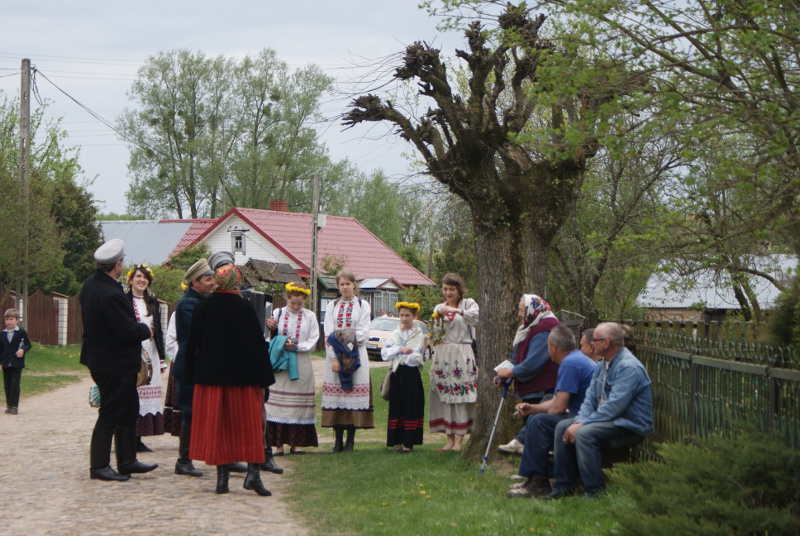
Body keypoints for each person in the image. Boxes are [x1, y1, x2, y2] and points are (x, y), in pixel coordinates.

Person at [184, 261, 276, 496]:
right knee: (250, 426)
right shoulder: (243, 308)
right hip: (242, 380)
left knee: (219, 428)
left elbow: (192, 344)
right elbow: (255, 347)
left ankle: (222, 480)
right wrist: (265, 379)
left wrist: (190, 375)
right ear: (235, 282)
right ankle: (252, 475)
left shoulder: (203, 308)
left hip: (210, 380)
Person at [545, 322, 654, 500]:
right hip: (610, 421)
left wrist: (582, 425)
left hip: (629, 426)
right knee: (563, 427)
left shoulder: (629, 368)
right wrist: (579, 421)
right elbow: (589, 399)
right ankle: (563, 487)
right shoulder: (603, 365)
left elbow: (613, 408)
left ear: (607, 343)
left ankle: (593, 491)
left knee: (585, 434)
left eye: (595, 340)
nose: (591, 343)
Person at [79, 238, 157, 482]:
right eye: (122, 262)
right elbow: (124, 330)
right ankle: (99, 466)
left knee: (128, 409)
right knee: (111, 412)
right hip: (113, 363)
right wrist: (146, 331)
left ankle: (127, 460)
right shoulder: (110, 293)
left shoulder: (91, 284)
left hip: (104, 359)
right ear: (116, 265)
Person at [506, 325, 597, 498]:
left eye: (547, 345)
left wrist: (536, 420)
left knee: (539, 423)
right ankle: (533, 478)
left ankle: (538, 481)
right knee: (537, 417)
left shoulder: (570, 364)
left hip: (584, 418)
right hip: (583, 413)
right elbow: (556, 401)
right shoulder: (575, 359)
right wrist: (533, 408)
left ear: (553, 347)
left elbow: (559, 407)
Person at [496, 294, 561, 455]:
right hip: (532, 386)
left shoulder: (546, 327)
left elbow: (534, 362)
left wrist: (511, 372)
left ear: (533, 310)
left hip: (543, 386)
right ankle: (529, 470)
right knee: (531, 427)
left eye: (521, 310)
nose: (519, 314)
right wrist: (504, 374)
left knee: (537, 430)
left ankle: (535, 470)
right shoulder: (530, 325)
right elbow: (516, 355)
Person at [170, 258, 216, 477]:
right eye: (208, 279)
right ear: (195, 282)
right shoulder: (189, 303)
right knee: (189, 411)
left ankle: (217, 456)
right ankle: (183, 460)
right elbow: (204, 331)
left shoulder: (199, 301)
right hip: (189, 367)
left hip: (199, 366)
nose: (212, 283)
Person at [265, 281, 320, 456]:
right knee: (278, 405)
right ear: (287, 298)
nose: (296, 307)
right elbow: (267, 337)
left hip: (301, 363)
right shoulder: (277, 313)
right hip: (281, 365)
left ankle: (296, 444)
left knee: (297, 404)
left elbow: (313, 340)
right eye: (292, 303)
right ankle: (278, 444)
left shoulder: (310, 316)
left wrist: (297, 347)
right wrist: (271, 329)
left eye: (299, 303)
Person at [322, 269, 374, 453]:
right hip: (336, 356)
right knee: (337, 398)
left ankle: (350, 441)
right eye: (341, 284)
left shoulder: (363, 305)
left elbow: (363, 334)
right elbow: (328, 334)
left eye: (348, 284)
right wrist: (335, 357)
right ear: (338, 286)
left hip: (356, 357)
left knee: (352, 397)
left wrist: (343, 338)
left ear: (354, 285)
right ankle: (337, 442)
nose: (345, 287)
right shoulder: (332, 306)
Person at [429, 272, 479, 452]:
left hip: (461, 353)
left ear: (459, 289)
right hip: (443, 354)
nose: (448, 293)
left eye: (451, 289)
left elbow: (477, 318)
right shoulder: (438, 307)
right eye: (445, 289)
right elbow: (435, 333)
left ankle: (460, 440)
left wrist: (455, 310)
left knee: (461, 396)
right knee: (445, 396)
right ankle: (449, 440)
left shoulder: (468, 304)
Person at [125, 264, 167, 452]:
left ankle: (139, 438)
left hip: (151, 351)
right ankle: (127, 438)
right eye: (139, 276)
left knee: (147, 393)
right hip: (133, 352)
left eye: (145, 278)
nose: (142, 280)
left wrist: (161, 358)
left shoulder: (153, 303)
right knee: (132, 395)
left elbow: (159, 331)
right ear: (131, 279)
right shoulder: (124, 301)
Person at [381, 301, 426, 453]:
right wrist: (400, 349)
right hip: (397, 373)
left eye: (407, 315)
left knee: (410, 407)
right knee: (396, 407)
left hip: (411, 375)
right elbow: (385, 353)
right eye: (401, 315)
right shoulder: (395, 334)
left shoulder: (419, 335)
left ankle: (408, 443)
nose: (404, 318)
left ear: (414, 316)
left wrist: (397, 353)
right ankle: (397, 442)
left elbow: (416, 356)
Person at [2, 308, 32, 415]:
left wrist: (22, 350)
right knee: (7, 384)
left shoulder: (21, 332)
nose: (9, 322)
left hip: (17, 363)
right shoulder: (2, 334)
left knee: (15, 384)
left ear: (16, 320)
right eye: (7, 319)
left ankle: (14, 406)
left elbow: (28, 344)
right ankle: (9, 405)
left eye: (11, 319)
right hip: (6, 362)